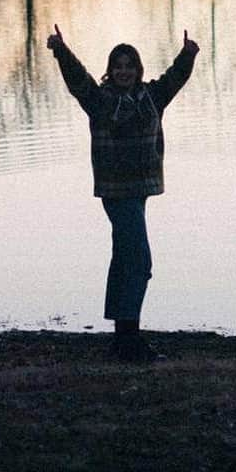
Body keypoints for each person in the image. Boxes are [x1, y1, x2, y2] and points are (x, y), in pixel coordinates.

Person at [46, 24, 199, 362]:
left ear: (138, 70)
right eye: (118, 66)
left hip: (141, 190)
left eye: (130, 66)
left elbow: (175, 78)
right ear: (110, 70)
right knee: (139, 261)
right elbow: (78, 79)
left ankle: (121, 339)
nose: (124, 71)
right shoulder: (100, 102)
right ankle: (129, 338)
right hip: (117, 193)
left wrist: (188, 55)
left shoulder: (151, 97)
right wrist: (61, 50)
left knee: (124, 259)